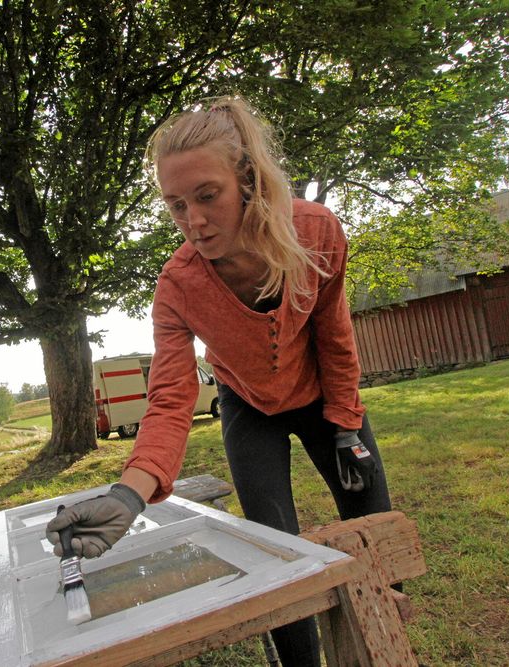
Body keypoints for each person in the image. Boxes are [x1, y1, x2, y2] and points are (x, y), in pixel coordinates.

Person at [46, 96, 393, 666]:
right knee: (270, 546)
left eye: (207, 196)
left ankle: (385, 622)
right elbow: (171, 397)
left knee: (372, 521)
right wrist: (129, 494)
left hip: (322, 400)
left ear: (249, 182)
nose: (194, 221)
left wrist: (346, 424)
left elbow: (334, 336)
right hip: (247, 408)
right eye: (176, 205)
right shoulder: (177, 286)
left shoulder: (316, 232)